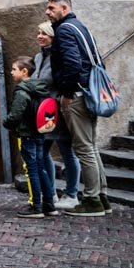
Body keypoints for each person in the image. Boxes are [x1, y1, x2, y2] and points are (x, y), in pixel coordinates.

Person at [46, 0, 110, 217]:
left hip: (77, 96)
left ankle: (92, 200)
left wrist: (66, 92)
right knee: (91, 146)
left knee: (84, 148)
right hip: (88, 93)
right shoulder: (80, 26)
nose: (47, 11)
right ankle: (102, 197)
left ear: (65, 8)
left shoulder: (64, 30)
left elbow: (72, 64)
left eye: (52, 8)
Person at [33, 22, 80, 209]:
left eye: (44, 33)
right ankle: (51, 193)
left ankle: (72, 193)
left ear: (53, 37)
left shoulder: (58, 57)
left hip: (58, 110)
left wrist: (62, 100)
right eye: (38, 33)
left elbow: (65, 80)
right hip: (41, 112)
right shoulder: (37, 57)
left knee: (67, 151)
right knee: (42, 152)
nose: (39, 36)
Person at [4, 56, 57, 218]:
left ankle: (36, 207)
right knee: (41, 169)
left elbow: (15, 115)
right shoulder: (41, 87)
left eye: (14, 69)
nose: (11, 72)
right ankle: (49, 205)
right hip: (40, 133)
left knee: (32, 170)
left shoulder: (22, 90)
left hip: (27, 134)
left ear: (24, 71)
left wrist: (6, 123)